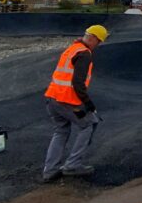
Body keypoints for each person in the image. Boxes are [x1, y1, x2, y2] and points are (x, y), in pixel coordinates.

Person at [42, 24, 109, 181]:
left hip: (52, 98)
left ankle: (50, 170)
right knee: (89, 124)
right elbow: (78, 83)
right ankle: (73, 164)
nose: (97, 46)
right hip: (68, 101)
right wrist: (89, 105)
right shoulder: (84, 54)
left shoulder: (72, 48)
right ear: (92, 38)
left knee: (61, 130)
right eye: (98, 42)